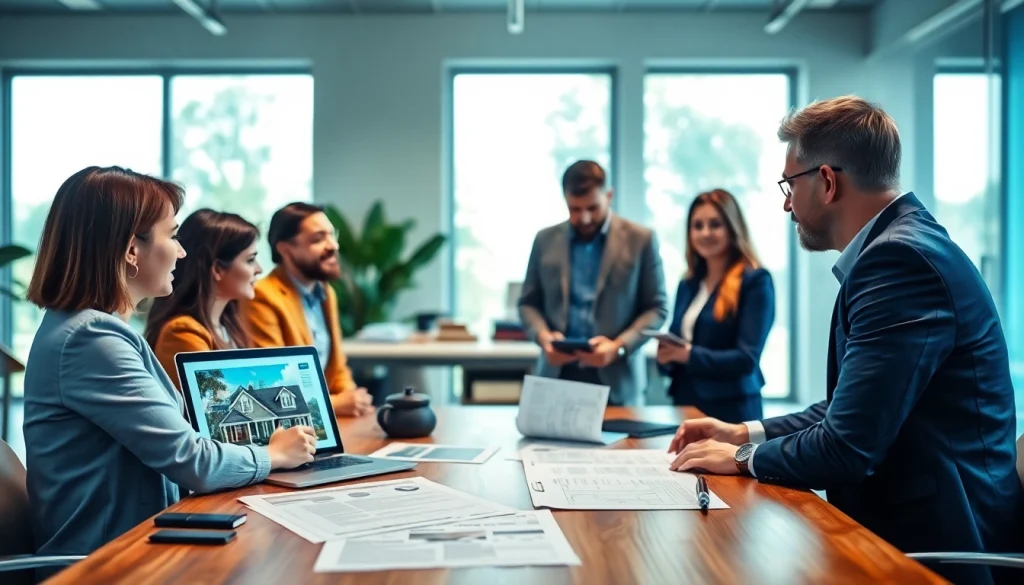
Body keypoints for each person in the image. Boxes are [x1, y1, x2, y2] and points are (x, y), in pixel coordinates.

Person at [667, 96, 1024, 585]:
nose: (786, 202)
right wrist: (743, 432)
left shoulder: (899, 263)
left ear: (827, 182)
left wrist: (741, 459)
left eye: (789, 185)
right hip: (912, 525)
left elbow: (847, 447)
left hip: (937, 545)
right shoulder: (901, 247)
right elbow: (849, 410)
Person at [22, 166, 316, 563]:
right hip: (108, 564)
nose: (181, 251)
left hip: (143, 543)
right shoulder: (90, 340)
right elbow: (192, 461)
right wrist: (273, 455)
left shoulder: (91, 330)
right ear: (131, 250)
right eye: (173, 235)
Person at [518, 160, 668, 406]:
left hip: (617, 382)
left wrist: (618, 347)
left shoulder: (641, 240)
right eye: (574, 209)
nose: (584, 217)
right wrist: (544, 338)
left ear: (609, 195)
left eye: (592, 208)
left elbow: (657, 308)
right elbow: (527, 303)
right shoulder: (544, 240)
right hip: (556, 378)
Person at [239, 202, 373, 417]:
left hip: (331, 420)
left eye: (332, 235)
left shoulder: (326, 293)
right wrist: (336, 403)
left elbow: (337, 368)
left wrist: (354, 399)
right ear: (285, 249)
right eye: (318, 239)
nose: (333, 246)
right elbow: (274, 383)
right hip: (294, 424)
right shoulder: (263, 296)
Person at [657, 189, 774, 423]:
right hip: (686, 404)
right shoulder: (688, 283)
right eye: (697, 226)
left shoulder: (755, 281)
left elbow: (746, 358)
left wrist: (688, 355)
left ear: (732, 227)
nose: (705, 233)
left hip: (732, 410)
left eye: (715, 224)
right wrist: (666, 357)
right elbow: (678, 343)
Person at [145, 209, 263, 389]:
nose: (259, 269)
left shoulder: (229, 326)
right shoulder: (182, 331)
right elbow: (216, 407)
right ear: (217, 269)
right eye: (250, 260)